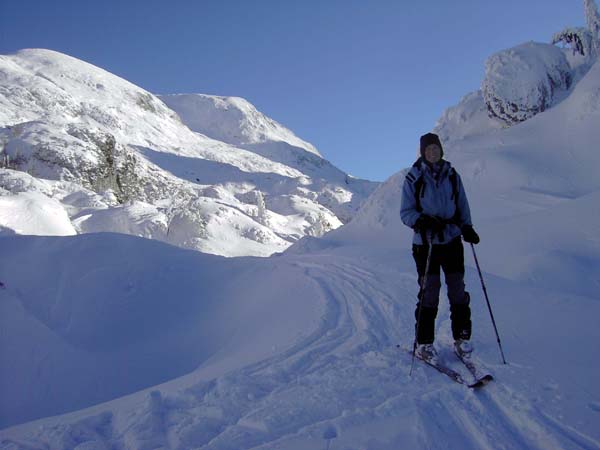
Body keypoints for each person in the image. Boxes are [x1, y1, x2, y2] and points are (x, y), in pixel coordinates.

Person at [400, 132, 480, 361]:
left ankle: (462, 337)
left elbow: (462, 204)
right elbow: (406, 213)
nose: (432, 152)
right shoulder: (413, 177)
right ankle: (424, 343)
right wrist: (421, 221)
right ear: (423, 153)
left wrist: (467, 228)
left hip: (452, 240)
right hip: (426, 244)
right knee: (429, 292)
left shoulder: (453, 175)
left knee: (457, 289)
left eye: (435, 148)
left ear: (441, 150)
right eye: (428, 150)